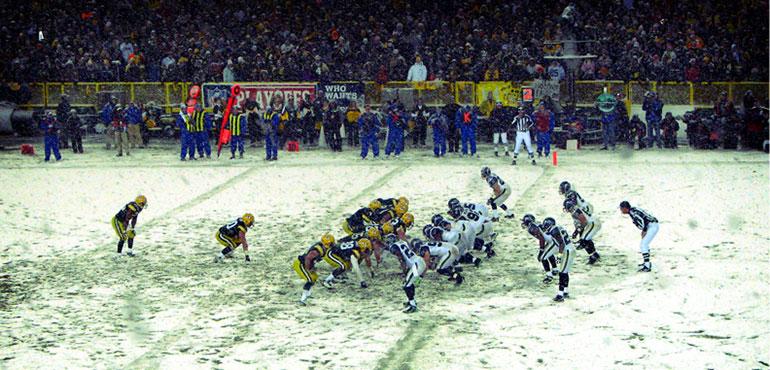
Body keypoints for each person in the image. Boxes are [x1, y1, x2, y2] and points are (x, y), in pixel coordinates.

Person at [293, 233, 336, 305]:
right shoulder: (317, 251)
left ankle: (307, 294)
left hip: (306, 263)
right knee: (310, 280)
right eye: (331, 244)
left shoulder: (322, 247)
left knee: (314, 277)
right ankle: (302, 299)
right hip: (301, 264)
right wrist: (309, 269)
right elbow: (308, 258)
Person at [541, 217, 575, 302]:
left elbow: (561, 244)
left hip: (567, 251)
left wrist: (559, 256)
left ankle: (560, 295)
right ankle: (565, 292)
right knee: (564, 272)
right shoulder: (558, 228)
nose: (545, 227)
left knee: (562, 273)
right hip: (569, 249)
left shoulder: (554, 231)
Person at [390, 239, 428, 313]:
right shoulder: (403, 242)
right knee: (410, 283)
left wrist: (404, 271)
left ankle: (413, 305)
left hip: (416, 266)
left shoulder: (395, 247)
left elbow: (402, 259)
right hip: (419, 261)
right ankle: (411, 301)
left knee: (406, 286)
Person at [619, 201, 658, 272]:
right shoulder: (633, 209)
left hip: (652, 226)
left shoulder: (633, 213)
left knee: (643, 245)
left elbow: (644, 221)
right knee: (645, 244)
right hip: (652, 225)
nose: (621, 210)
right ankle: (646, 263)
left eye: (621, 208)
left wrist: (644, 230)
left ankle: (647, 266)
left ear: (625, 208)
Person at [521, 214, 559, 283]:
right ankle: (555, 269)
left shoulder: (531, 228)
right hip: (553, 240)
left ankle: (549, 275)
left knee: (542, 257)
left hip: (553, 241)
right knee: (548, 254)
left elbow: (542, 238)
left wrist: (541, 250)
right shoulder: (534, 225)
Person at [564, 199, 601, 265]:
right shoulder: (576, 209)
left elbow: (584, 222)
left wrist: (577, 231)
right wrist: (577, 231)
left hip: (593, 224)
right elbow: (581, 223)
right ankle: (595, 254)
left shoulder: (575, 211)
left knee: (584, 240)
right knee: (585, 239)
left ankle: (593, 256)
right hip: (591, 223)